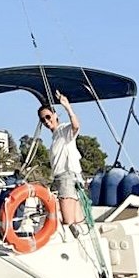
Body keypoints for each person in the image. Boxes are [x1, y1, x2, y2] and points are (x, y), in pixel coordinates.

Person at [39, 91, 85, 235]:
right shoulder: (54, 137)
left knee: (68, 221)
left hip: (67, 176)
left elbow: (76, 126)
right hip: (65, 178)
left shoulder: (63, 130)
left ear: (55, 115)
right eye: (43, 120)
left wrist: (67, 107)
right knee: (77, 220)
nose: (46, 121)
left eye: (48, 117)